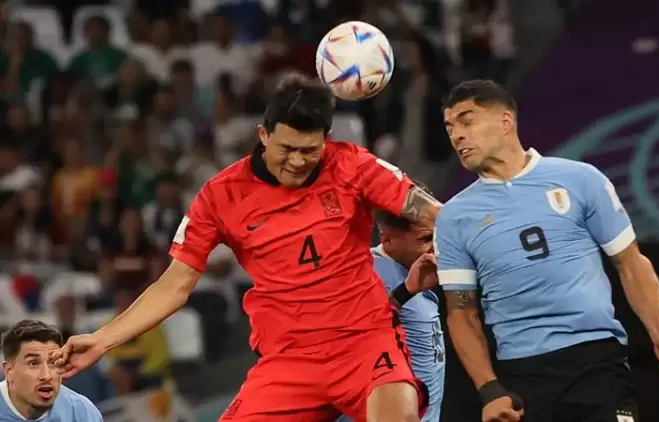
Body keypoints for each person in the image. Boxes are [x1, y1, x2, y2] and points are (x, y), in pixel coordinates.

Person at [53, 75, 442, 422]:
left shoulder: (352, 164)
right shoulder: (220, 196)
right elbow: (173, 285)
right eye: (286, 148)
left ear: (326, 139)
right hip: (288, 360)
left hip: (365, 343)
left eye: (309, 150)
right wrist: (102, 340)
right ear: (263, 135)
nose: (297, 161)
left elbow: (433, 213)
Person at [435, 80, 659, 422]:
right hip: (522, 374)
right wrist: (489, 389)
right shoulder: (453, 216)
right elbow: (461, 311)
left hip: (598, 362)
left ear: (506, 121)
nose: (457, 136)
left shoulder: (581, 180)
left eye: (467, 121)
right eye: (450, 128)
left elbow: (629, 262)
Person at [339, 182, 445, 422]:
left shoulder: (419, 272)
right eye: (426, 238)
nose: (436, 248)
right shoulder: (368, 276)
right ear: (387, 239)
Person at [0, 320, 102, 421]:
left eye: (53, 362)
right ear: (9, 371)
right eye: (33, 363)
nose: (46, 376)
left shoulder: (81, 413)